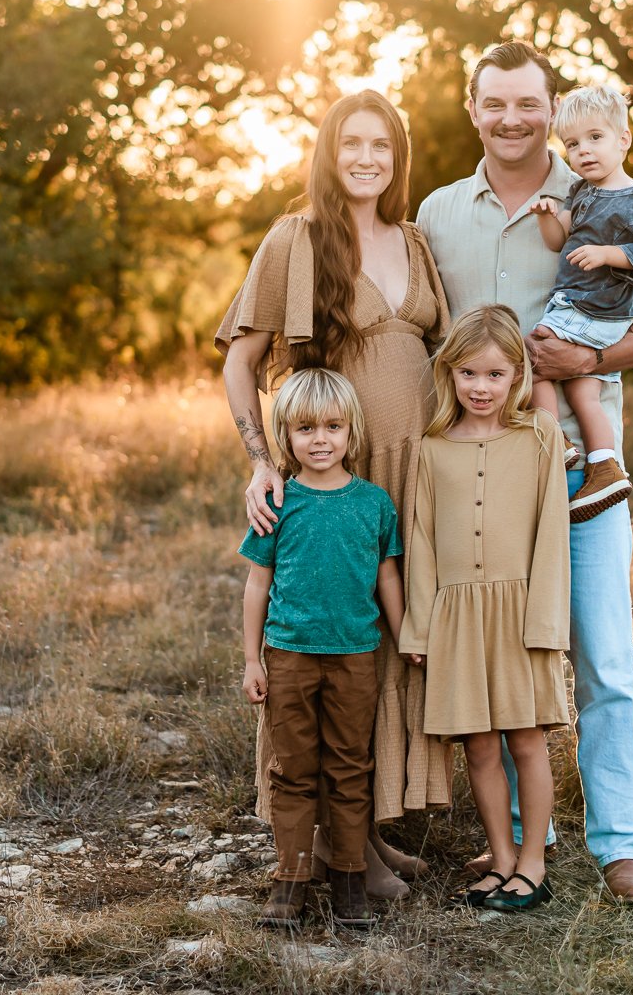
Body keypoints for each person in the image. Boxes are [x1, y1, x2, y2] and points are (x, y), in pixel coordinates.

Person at [416, 41, 633, 905]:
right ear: (473, 108)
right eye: (496, 104)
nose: (513, 119)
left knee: (601, 654)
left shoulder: (598, 193)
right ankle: (528, 838)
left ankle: (622, 843)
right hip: (484, 484)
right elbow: (426, 343)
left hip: (579, 472)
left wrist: (571, 366)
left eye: (529, 103)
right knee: (510, 652)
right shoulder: (440, 211)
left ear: (551, 104)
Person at [217, 90, 452, 901]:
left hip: (410, 477)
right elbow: (241, 362)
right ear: (328, 151)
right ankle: (319, 843)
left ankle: (370, 833)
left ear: (397, 157)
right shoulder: (297, 238)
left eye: (380, 145)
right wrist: (261, 460)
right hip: (333, 477)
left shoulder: (415, 242)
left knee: (381, 643)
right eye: (350, 142)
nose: (365, 158)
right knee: (322, 643)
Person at [399, 305, 570, 913]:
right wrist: (419, 626)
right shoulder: (432, 446)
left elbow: (552, 531)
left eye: (496, 375)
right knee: (477, 745)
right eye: (468, 373)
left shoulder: (540, 435)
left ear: (517, 376)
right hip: (457, 618)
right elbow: (419, 542)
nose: (480, 387)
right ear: (449, 374)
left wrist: (546, 622)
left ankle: (533, 862)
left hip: (521, 610)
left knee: (526, 741)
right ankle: (499, 858)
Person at [239, 368, 404, 929]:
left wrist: (406, 639)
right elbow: (257, 584)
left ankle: (350, 879)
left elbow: (386, 579)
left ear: (351, 431)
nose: (321, 439)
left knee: (350, 767)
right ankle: (290, 880)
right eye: (306, 428)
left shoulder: (374, 504)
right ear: (286, 435)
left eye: (333, 426)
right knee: (293, 769)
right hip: (289, 654)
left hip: (356, 655)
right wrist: (250, 660)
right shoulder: (279, 501)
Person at [527, 84, 633, 521]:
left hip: (599, 306)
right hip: (582, 302)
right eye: (572, 144)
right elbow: (557, 241)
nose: (583, 151)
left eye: (595, 138)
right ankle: (604, 464)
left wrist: (607, 254)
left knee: (532, 352)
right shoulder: (584, 191)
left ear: (623, 140)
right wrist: (549, 216)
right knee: (584, 388)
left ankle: (552, 441)